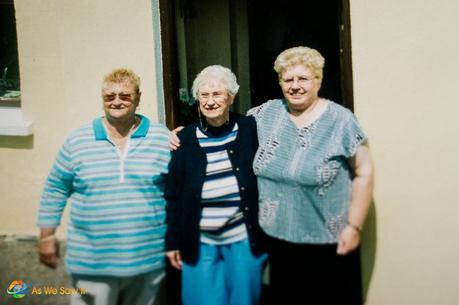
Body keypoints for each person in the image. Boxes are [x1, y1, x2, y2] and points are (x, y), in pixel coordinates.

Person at [247, 46, 374, 304]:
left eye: (303, 78)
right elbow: (228, 130)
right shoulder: (265, 114)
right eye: (288, 79)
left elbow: (364, 171)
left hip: (327, 243)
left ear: (318, 80)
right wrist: (183, 135)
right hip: (275, 240)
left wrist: (354, 226)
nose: (295, 86)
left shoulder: (341, 121)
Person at [37, 68, 171, 305]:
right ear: (102, 100)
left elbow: (178, 190)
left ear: (138, 98)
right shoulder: (78, 140)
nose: (117, 102)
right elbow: (56, 188)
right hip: (92, 262)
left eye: (125, 96)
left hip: (147, 260)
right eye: (110, 97)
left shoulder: (162, 138)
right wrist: (46, 237)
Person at [164, 65, 267, 305]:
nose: (210, 101)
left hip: (243, 238)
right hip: (199, 241)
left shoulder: (251, 128)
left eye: (217, 94)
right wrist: (172, 241)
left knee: (244, 301)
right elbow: (173, 196)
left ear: (231, 97)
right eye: (204, 95)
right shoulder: (184, 139)